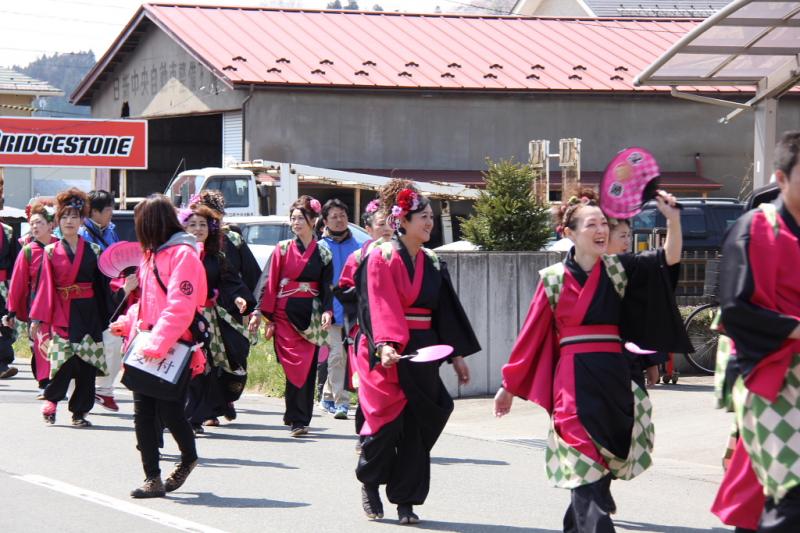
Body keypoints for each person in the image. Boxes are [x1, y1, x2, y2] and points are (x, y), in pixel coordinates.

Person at [494, 191, 691, 532]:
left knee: (595, 473)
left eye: (604, 223)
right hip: (572, 384)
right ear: (569, 233)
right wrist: (508, 386)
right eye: (592, 224)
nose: (601, 229)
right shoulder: (553, 279)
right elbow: (529, 336)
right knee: (583, 465)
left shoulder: (619, 269)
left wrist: (673, 218)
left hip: (614, 378)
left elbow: (668, 260)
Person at [354, 180, 480, 524]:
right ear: (402, 221)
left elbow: (446, 311)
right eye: (422, 216)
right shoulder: (380, 255)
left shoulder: (433, 261)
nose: (429, 223)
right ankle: (370, 484)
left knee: (419, 425)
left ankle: (406, 500)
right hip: (387, 354)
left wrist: (456, 356)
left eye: (430, 217)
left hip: (423, 351)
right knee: (385, 426)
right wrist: (386, 345)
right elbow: (379, 304)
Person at [715, 131, 800, 532]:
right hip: (772, 377)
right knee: (789, 490)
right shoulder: (755, 227)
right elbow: (735, 309)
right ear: (781, 179)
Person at [109, 194, 207, 498]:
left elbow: (181, 305)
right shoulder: (151, 254)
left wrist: (159, 342)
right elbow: (146, 303)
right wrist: (128, 322)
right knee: (142, 412)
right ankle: (152, 477)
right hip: (148, 343)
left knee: (171, 411)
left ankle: (188, 457)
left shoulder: (183, 255)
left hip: (174, 346)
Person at [249, 195, 333, 437]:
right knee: (291, 367)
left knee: (307, 369)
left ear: (313, 220)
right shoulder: (282, 249)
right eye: (293, 218)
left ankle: (300, 419)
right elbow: (269, 282)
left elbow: (328, 286)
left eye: (301, 218)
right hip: (285, 315)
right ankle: (293, 413)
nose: (296, 223)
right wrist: (260, 312)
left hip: (311, 317)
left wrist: (328, 310)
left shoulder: (323, 252)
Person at [29, 188, 113, 427]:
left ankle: (79, 412)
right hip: (62, 311)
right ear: (58, 220)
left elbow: (104, 287)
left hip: (89, 312)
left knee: (86, 364)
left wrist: (119, 298)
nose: (69, 221)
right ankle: (52, 400)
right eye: (64, 216)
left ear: (82, 220)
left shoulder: (94, 250)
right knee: (64, 361)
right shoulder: (50, 251)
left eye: (74, 216)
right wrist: (38, 319)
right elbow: (44, 286)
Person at [180, 200, 254, 432]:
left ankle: (198, 416)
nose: (198, 229)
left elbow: (231, 282)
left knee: (210, 365)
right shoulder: (177, 255)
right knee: (187, 367)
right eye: (193, 224)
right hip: (182, 318)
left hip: (210, 320)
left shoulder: (217, 257)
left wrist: (239, 298)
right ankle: (187, 416)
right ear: (184, 229)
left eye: (203, 224)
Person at [335, 199, 393, 451]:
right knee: (367, 384)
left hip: (393, 330)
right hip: (364, 330)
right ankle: (365, 433)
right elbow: (344, 288)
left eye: (391, 223)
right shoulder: (358, 256)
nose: (387, 228)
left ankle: (389, 434)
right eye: (381, 224)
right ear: (368, 229)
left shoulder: (402, 254)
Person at [78, 190, 127, 412]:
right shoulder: (82, 234)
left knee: (114, 341)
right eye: (108, 210)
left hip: (112, 294)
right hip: (89, 297)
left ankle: (104, 389)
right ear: (94, 212)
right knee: (85, 345)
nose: (112, 214)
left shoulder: (112, 231)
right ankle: (79, 392)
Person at [319, 198, 368, 419]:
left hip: (352, 309)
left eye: (342, 216)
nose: (339, 221)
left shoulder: (357, 247)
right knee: (337, 355)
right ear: (325, 221)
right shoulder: (320, 248)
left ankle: (328, 394)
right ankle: (341, 402)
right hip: (329, 310)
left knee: (346, 356)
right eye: (334, 217)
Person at [606, 216, 667, 389]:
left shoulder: (631, 269)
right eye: (622, 236)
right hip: (591, 359)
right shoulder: (584, 270)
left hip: (627, 358)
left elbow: (641, 319)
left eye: (629, 236)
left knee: (632, 412)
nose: (627, 241)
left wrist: (651, 362)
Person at [4, 200, 57, 396]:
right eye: (32, 223)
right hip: (35, 304)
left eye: (40, 222)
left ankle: (53, 380)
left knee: (57, 343)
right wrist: (11, 311)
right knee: (40, 344)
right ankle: (45, 382)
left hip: (59, 304)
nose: (34, 226)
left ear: (51, 225)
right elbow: (17, 284)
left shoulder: (61, 247)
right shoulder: (27, 251)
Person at [0, 171, 21, 379]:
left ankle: (3, 364)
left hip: (2, 286)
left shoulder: (7, 231)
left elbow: (16, 263)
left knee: (5, 323)